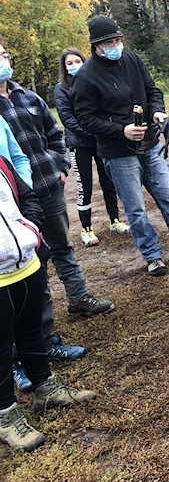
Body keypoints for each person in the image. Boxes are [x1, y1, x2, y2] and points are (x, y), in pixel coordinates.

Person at [72, 15, 169, 277]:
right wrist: (121, 131)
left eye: (118, 40)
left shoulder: (133, 61)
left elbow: (153, 91)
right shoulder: (85, 77)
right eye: (110, 42)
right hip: (118, 154)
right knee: (136, 210)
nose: (116, 45)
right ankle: (152, 256)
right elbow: (85, 119)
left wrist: (158, 112)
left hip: (150, 144)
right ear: (96, 45)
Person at [0, 43, 115, 318]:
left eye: (5, 54)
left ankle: (78, 298)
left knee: (62, 245)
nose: (5, 59)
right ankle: (36, 320)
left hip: (48, 186)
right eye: (0, 55)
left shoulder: (29, 98)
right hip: (13, 202)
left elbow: (54, 134)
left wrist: (61, 168)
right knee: (28, 257)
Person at [0, 155, 96, 452]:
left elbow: (26, 194)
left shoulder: (1, 161)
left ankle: (46, 388)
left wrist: (30, 228)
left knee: (31, 332)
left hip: (25, 264)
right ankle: (5, 417)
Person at [0, 116, 87, 392]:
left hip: (21, 251)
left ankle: (43, 378)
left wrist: (30, 228)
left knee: (31, 321)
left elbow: (20, 175)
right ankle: (7, 407)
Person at [55, 48, 129, 247]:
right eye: (69, 63)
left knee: (109, 182)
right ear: (64, 67)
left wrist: (102, 131)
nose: (74, 66)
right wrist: (92, 130)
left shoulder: (93, 81)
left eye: (77, 61)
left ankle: (115, 220)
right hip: (79, 144)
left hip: (101, 141)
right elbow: (68, 119)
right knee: (84, 186)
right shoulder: (61, 89)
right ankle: (86, 229)